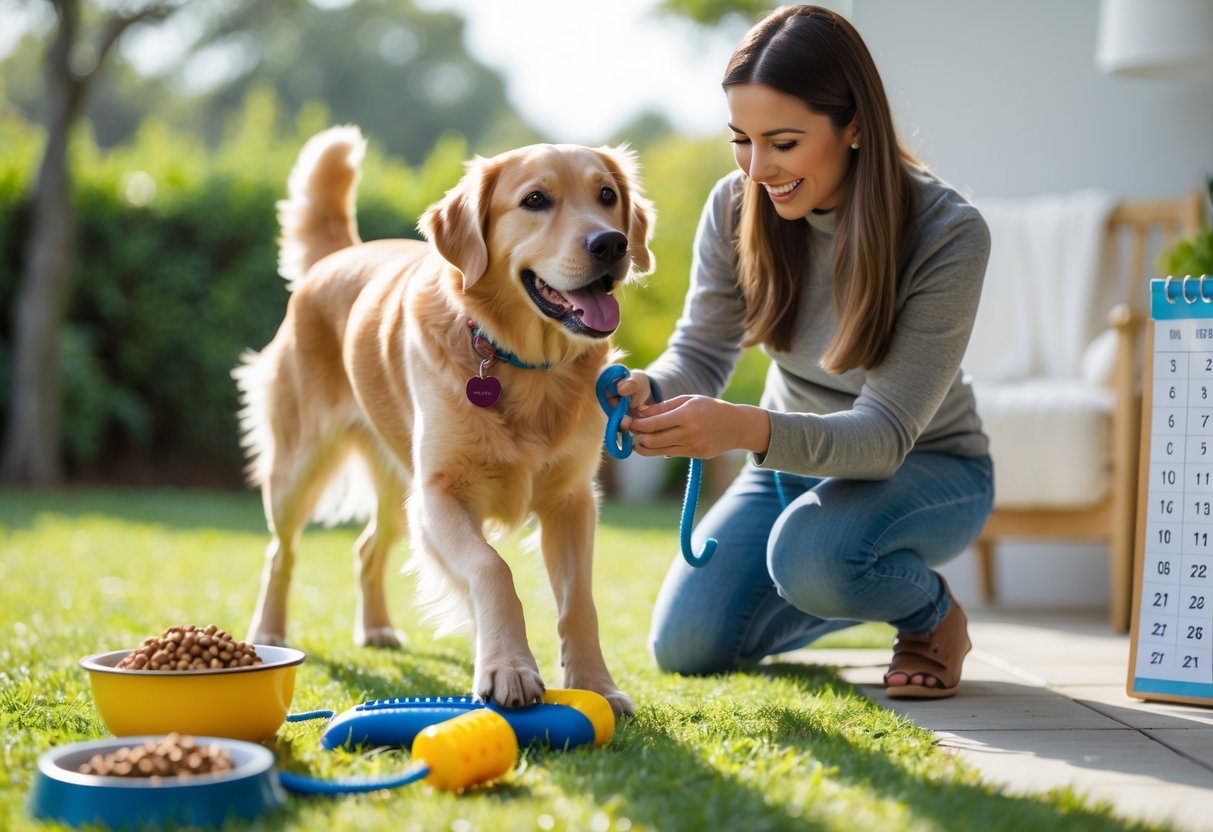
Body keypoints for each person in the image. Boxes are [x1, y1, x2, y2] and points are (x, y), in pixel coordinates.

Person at [614, 4, 994, 699]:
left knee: (812, 557)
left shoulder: (947, 232)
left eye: (782, 142)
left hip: (928, 469)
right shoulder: (734, 206)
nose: (757, 169)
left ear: (852, 126)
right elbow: (700, 351)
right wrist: (649, 389)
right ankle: (843, 574)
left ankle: (928, 614)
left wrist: (741, 430)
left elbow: (881, 439)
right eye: (741, 140)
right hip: (790, 467)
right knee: (688, 646)